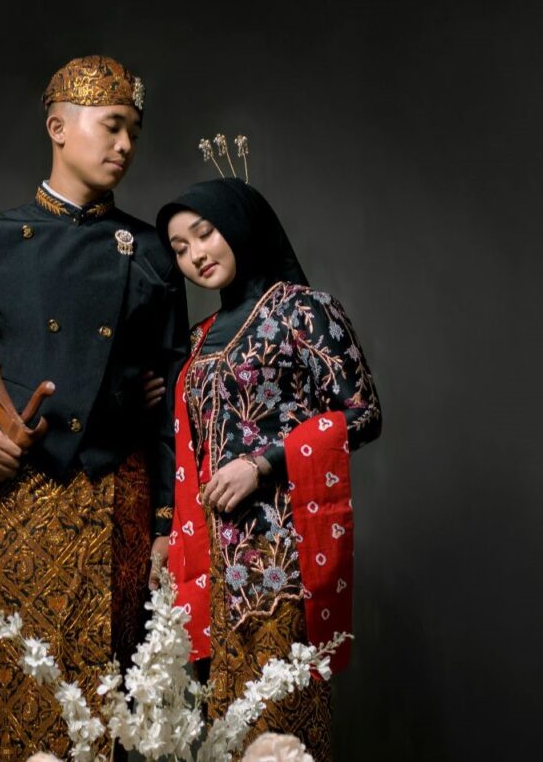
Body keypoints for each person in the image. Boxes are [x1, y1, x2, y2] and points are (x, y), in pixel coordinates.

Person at [0, 55, 188, 761]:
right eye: (112, 126)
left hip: (122, 507)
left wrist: (166, 524)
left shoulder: (154, 251)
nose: (126, 145)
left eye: (134, 131)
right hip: (21, 512)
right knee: (21, 707)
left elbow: (172, 405)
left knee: (121, 713)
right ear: (58, 127)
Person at [153, 176, 382, 761]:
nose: (196, 255)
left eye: (205, 233)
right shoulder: (198, 341)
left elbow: (362, 413)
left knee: (277, 735)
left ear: (240, 225)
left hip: (280, 560)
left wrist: (261, 465)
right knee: (220, 736)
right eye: (180, 248)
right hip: (210, 569)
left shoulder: (302, 310)